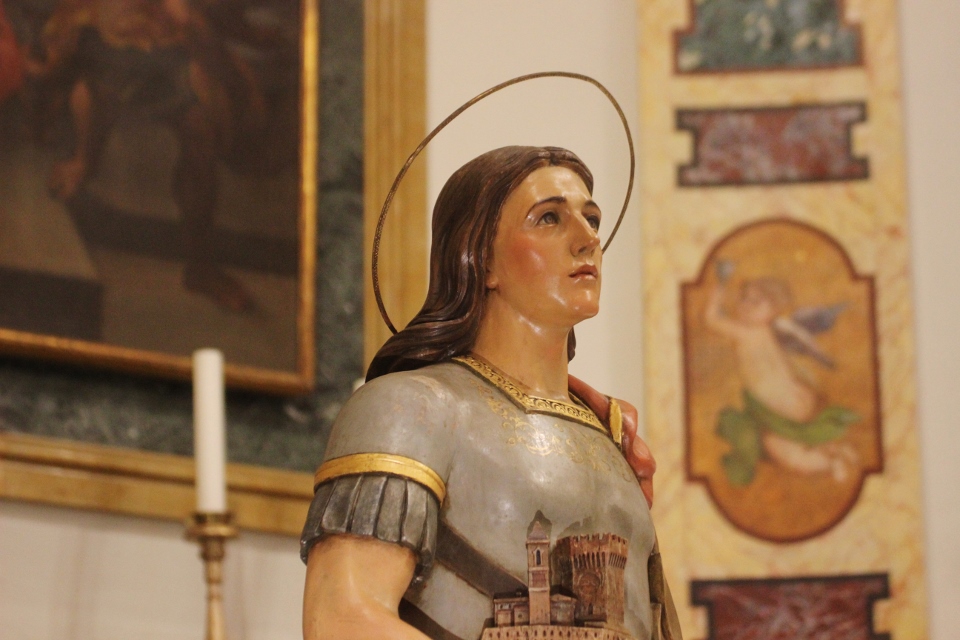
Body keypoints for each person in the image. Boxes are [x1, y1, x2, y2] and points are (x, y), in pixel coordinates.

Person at [301, 146, 671, 640]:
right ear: (479, 258)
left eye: (592, 218)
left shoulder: (612, 438)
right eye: (549, 218)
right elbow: (344, 618)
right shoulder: (410, 408)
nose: (587, 239)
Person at [705, 276, 859, 485]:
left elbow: (711, 319)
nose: (747, 305)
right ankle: (836, 450)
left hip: (783, 408)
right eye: (744, 299)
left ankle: (830, 463)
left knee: (790, 456)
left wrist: (719, 287)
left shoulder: (746, 334)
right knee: (801, 440)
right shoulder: (768, 331)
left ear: (773, 310)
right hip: (800, 399)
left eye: (756, 302)